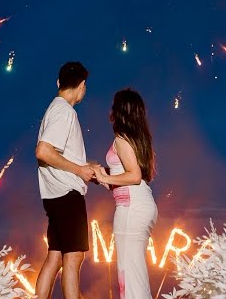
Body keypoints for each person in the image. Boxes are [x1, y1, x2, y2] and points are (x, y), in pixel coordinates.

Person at [34, 61, 95, 299]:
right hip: (67, 194)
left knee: (56, 255)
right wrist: (79, 171)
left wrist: (86, 167)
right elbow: (44, 151)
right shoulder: (65, 112)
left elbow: (59, 154)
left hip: (54, 194)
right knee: (74, 256)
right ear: (82, 86)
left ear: (59, 83)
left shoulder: (54, 108)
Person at [94, 88, 158, 299]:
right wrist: (102, 175)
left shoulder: (122, 139)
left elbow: (134, 175)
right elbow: (128, 176)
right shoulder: (138, 140)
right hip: (139, 203)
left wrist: (104, 178)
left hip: (132, 208)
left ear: (119, 111)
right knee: (133, 272)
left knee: (129, 274)